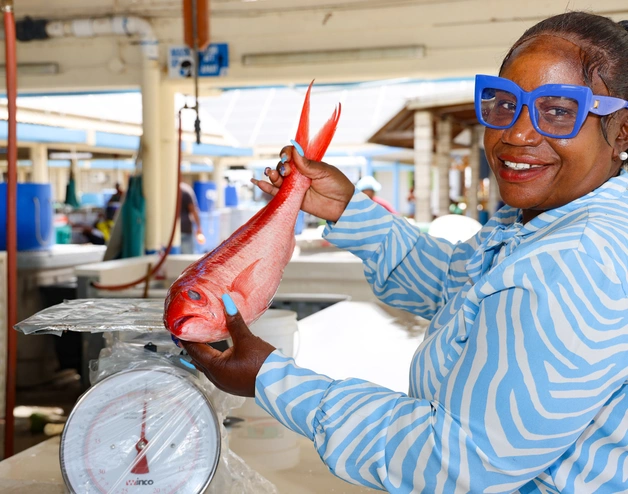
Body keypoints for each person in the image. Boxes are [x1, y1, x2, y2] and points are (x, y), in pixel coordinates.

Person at [181, 12, 628, 493]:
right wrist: (347, 210)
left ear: (622, 130)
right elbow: (457, 283)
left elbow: (460, 461)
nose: (516, 134)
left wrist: (273, 381)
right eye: (502, 104)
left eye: (558, 110)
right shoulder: (542, 219)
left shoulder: (577, 257)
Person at [179, 181, 205, 254]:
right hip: (185, 229)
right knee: (187, 257)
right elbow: (193, 210)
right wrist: (199, 227)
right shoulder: (186, 190)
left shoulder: (170, 190)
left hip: (176, 230)